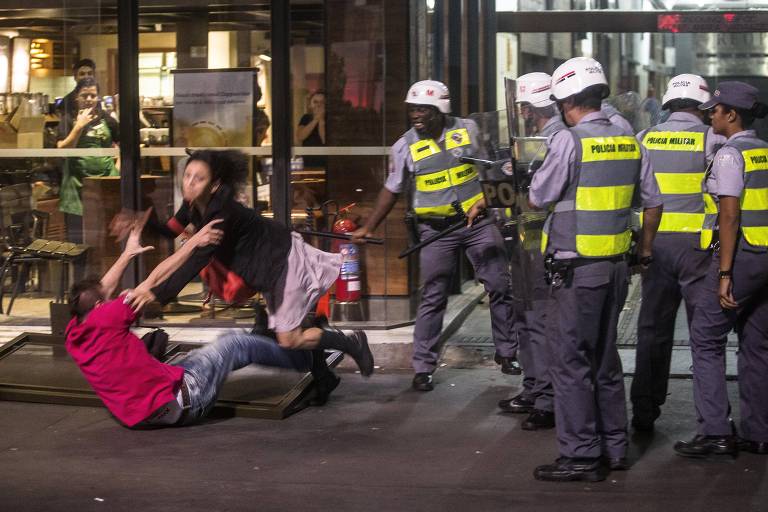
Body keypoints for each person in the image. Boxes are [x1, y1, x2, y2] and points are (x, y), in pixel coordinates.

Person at [118, 149, 375, 381]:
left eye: (199, 178)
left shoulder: (221, 215)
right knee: (286, 331)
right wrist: (142, 223)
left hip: (282, 262)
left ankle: (351, 343)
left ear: (215, 184)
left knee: (289, 339)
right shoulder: (193, 205)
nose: (190, 183)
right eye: (187, 175)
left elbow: (194, 260)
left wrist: (155, 293)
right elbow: (171, 231)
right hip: (267, 268)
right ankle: (323, 376)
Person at [528, 57, 662, 482]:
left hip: (576, 269)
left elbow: (538, 196)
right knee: (605, 360)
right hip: (617, 268)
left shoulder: (569, 142)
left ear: (567, 100)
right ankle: (615, 447)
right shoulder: (629, 140)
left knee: (569, 362)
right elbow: (653, 202)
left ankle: (581, 455)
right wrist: (643, 251)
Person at [66, 211, 325, 428]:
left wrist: (128, 253)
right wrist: (193, 241)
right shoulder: (110, 315)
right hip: (187, 401)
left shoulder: (74, 331)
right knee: (233, 343)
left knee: (205, 356)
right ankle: (304, 357)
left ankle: (271, 341)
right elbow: (154, 279)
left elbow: (102, 290)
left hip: (140, 416)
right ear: (100, 305)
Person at [350, 80, 519, 391]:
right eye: (412, 110)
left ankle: (508, 353)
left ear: (440, 110)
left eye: (423, 110)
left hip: (477, 223)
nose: (416, 115)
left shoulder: (467, 129)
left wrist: (499, 207)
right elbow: (391, 189)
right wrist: (369, 226)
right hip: (436, 231)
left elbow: (489, 169)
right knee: (434, 295)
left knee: (499, 283)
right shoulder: (405, 145)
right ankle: (423, 366)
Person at [674, 81, 768, 458]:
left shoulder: (731, 154)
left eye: (714, 110)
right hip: (766, 258)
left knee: (707, 336)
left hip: (742, 256)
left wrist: (725, 273)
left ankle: (715, 431)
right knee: (757, 343)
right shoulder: (764, 150)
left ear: (731, 114)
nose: (709, 114)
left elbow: (729, 216)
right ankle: (759, 432)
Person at [629, 74, 726, 432]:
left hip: (653, 245)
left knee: (652, 327)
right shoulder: (712, 138)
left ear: (668, 104)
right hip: (698, 249)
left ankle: (643, 410)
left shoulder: (645, 138)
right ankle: (712, 422)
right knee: (705, 335)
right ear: (701, 105)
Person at [497, 72, 565, 431]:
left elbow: (539, 188)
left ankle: (547, 397)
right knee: (525, 316)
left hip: (542, 237)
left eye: (523, 105)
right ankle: (534, 387)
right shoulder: (538, 136)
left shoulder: (555, 136)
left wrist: (517, 172)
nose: (521, 111)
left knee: (538, 318)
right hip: (527, 234)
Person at [56, 77, 119, 248]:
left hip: (105, 188)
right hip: (77, 189)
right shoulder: (68, 120)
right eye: (85, 95)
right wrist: (79, 126)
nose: (89, 99)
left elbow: (124, 144)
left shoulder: (107, 119)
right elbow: (62, 150)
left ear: (98, 97)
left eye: (93, 95)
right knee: (77, 245)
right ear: (77, 97)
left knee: (106, 242)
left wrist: (117, 168)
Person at [296, 91, 326, 168]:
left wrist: (321, 120)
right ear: (310, 105)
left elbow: (324, 140)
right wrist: (315, 120)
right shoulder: (306, 118)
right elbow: (300, 136)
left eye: (322, 102)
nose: (319, 105)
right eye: (315, 102)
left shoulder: (330, 118)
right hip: (309, 162)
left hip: (326, 161)